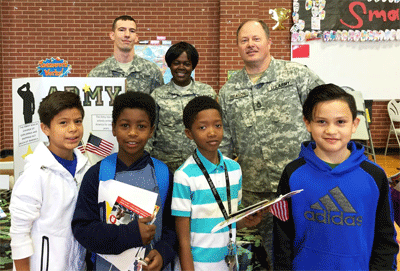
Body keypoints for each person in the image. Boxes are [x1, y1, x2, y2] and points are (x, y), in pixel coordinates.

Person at [218, 19, 324, 264]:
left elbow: (325, 113)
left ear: (269, 42)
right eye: (244, 40)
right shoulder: (228, 90)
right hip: (257, 196)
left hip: (300, 184)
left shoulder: (297, 75)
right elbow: (225, 144)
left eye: (256, 39)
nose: (250, 45)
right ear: (237, 47)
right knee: (266, 256)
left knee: (306, 248)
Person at [273, 84, 398, 270]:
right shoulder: (292, 173)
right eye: (321, 122)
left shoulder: (374, 175)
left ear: (355, 124)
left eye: (340, 122)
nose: (331, 130)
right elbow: (281, 236)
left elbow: (385, 237)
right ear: (307, 123)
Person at [72, 91, 177, 271]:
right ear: (114, 128)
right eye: (125, 125)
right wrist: (131, 234)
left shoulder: (163, 174)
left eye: (141, 126)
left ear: (152, 130)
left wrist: (163, 252)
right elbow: (83, 229)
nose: (133, 133)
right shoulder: (96, 175)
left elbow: (173, 227)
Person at [172, 96, 262, 270]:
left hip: (228, 263)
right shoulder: (183, 176)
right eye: (202, 127)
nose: (212, 132)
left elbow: (228, 218)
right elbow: (182, 240)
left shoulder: (234, 168)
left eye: (217, 125)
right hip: (197, 265)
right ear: (189, 133)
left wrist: (245, 221)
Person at [10, 91, 90, 271]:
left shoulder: (85, 167)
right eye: (63, 123)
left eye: (77, 121)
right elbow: (19, 233)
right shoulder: (36, 173)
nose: (73, 129)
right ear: (45, 128)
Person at [150, 41, 217, 172]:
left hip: (199, 165)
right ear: (169, 65)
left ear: (193, 66)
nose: (181, 67)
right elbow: (150, 132)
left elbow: (217, 127)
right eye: (176, 63)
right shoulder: (157, 95)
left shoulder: (207, 93)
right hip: (163, 166)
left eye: (187, 64)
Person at [88, 15, 164, 94]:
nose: (127, 35)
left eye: (132, 31)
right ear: (112, 35)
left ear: (136, 37)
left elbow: (160, 104)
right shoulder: (97, 74)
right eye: (121, 30)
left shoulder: (152, 71)